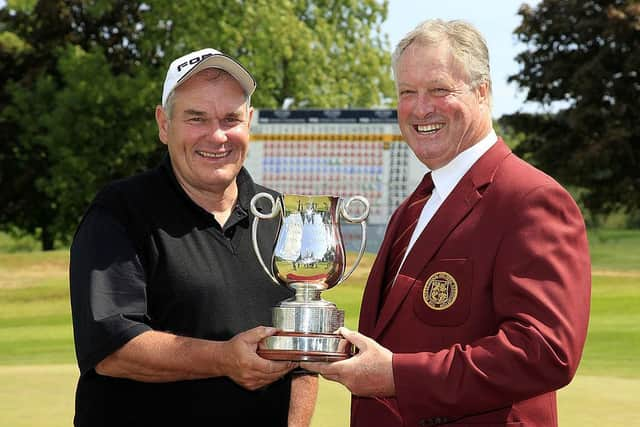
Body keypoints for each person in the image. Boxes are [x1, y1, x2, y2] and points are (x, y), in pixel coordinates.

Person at [302, 19, 591, 427]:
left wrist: (397, 376)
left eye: (439, 89)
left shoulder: (530, 199)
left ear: (482, 92)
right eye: (407, 92)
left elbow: (545, 351)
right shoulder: (414, 206)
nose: (421, 108)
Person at [69, 48, 317, 426]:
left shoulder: (282, 216)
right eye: (196, 118)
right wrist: (224, 358)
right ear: (164, 124)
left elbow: (301, 354)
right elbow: (113, 346)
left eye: (231, 119)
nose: (217, 136)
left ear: (249, 122)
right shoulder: (121, 211)